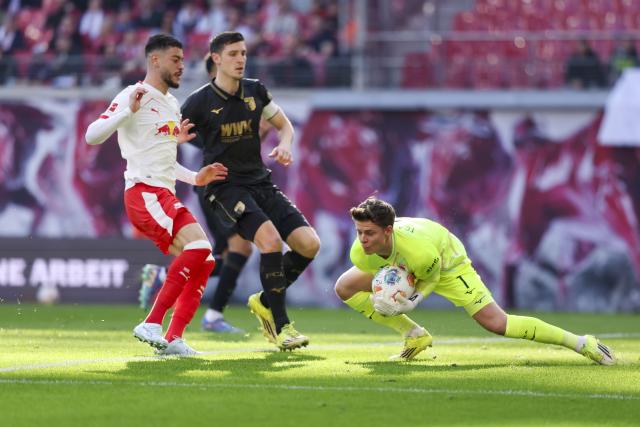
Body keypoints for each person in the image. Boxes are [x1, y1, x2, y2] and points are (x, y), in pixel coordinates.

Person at [334, 197, 616, 364]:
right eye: (359, 232)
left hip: (447, 264)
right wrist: (384, 294)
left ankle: (581, 342)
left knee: (496, 323)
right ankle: (414, 336)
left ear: (387, 231)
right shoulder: (362, 252)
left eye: (368, 233)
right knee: (344, 287)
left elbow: (429, 279)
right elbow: (383, 266)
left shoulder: (419, 252)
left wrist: (410, 302)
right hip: (403, 261)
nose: (362, 239)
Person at [85, 34, 228, 356]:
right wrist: (126, 112)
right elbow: (92, 135)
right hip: (143, 191)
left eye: (182, 60)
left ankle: (173, 339)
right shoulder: (134, 94)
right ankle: (151, 322)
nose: (182, 66)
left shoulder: (172, 104)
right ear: (155, 60)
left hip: (162, 190)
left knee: (204, 260)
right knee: (201, 246)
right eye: (175, 59)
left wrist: (196, 177)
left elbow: (164, 159)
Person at [180, 31, 321, 350]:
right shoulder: (199, 102)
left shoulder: (256, 91)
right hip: (224, 187)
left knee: (309, 245)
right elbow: (169, 136)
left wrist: (286, 145)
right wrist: (180, 153)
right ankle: (282, 327)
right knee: (269, 241)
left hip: (260, 181)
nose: (241, 59)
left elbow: (285, 125)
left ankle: (265, 300)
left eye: (243, 53)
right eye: (233, 54)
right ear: (216, 59)